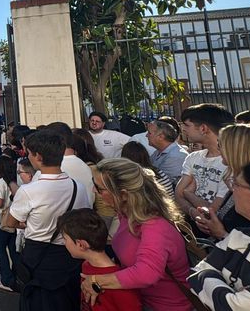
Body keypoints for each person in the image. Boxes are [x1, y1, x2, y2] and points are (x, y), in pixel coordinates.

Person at [81, 158, 192, 311]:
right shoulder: (126, 214)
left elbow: (146, 273)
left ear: (124, 194)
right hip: (141, 300)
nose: (94, 191)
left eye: (99, 188)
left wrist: (96, 281)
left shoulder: (155, 227)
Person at [5, 130, 91, 310]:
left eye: (29, 153)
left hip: (38, 253)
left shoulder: (30, 190)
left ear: (38, 156)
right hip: (70, 254)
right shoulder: (78, 187)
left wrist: (31, 223)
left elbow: (10, 223)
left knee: (37, 301)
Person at [188, 161, 250, 309]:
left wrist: (212, 280)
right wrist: (232, 294)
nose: (232, 189)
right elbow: (196, 274)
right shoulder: (240, 235)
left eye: (236, 184)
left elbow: (230, 306)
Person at [57, 208, 142, 311]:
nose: (63, 243)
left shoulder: (123, 289)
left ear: (81, 244)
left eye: (65, 239)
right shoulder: (86, 265)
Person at [194, 123, 250, 241]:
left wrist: (221, 234)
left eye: (221, 144)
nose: (218, 148)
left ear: (236, 149)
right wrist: (211, 221)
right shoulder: (236, 180)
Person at [175, 104, 235, 223]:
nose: (183, 129)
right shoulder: (193, 157)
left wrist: (188, 193)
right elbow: (178, 195)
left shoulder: (231, 163)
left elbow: (215, 209)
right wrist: (192, 212)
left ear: (203, 128)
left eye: (187, 125)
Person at [0, 154, 20, 293]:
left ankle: (6, 279)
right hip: (16, 219)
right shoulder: (16, 180)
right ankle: (16, 275)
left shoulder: (0, 182)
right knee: (13, 249)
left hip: (3, 219)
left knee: (1, 248)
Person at [146, 118, 187, 185]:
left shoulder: (176, 156)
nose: (146, 135)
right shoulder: (158, 152)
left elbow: (160, 181)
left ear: (161, 137)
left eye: (149, 133)